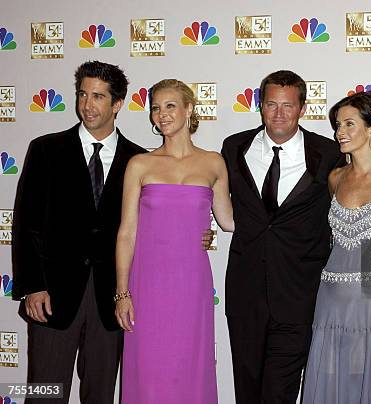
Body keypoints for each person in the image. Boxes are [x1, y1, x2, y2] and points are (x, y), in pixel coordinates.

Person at [219, 70, 371, 404]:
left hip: (303, 296)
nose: (278, 113)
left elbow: (367, 173)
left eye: (288, 106)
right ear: (260, 106)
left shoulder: (328, 154)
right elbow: (212, 198)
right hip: (245, 292)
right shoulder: (234, 147)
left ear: (302, 108)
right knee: (246, 388)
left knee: (280, 391)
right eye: (271, 104)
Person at [11, 61, 146, 403]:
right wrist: (33, 286)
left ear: (117, 104)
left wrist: (197, 235)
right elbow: (26, 223)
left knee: (99, 394)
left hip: (111, 297)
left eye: (98, 96)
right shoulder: (45, 149)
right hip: (52, 295)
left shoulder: (140, 160)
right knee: (44, 392)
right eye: (83, 94)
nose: (87, 104)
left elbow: (152, 224)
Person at [114, 79, 233, 403]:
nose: (161, 115)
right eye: (155, 108)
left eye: (169, 106)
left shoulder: (213, 162)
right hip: (148, 282)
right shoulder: (140, 164)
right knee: (149, 368)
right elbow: (126, 232)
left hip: (191, 282)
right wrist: (123, 293)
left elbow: (229, 220)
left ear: (189, 109)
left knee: (190, 365)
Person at [302, 90, 371, 404]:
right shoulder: (335, 177)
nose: (340, 132)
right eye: (338, 124)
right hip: (332, 302)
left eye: (350, 124)